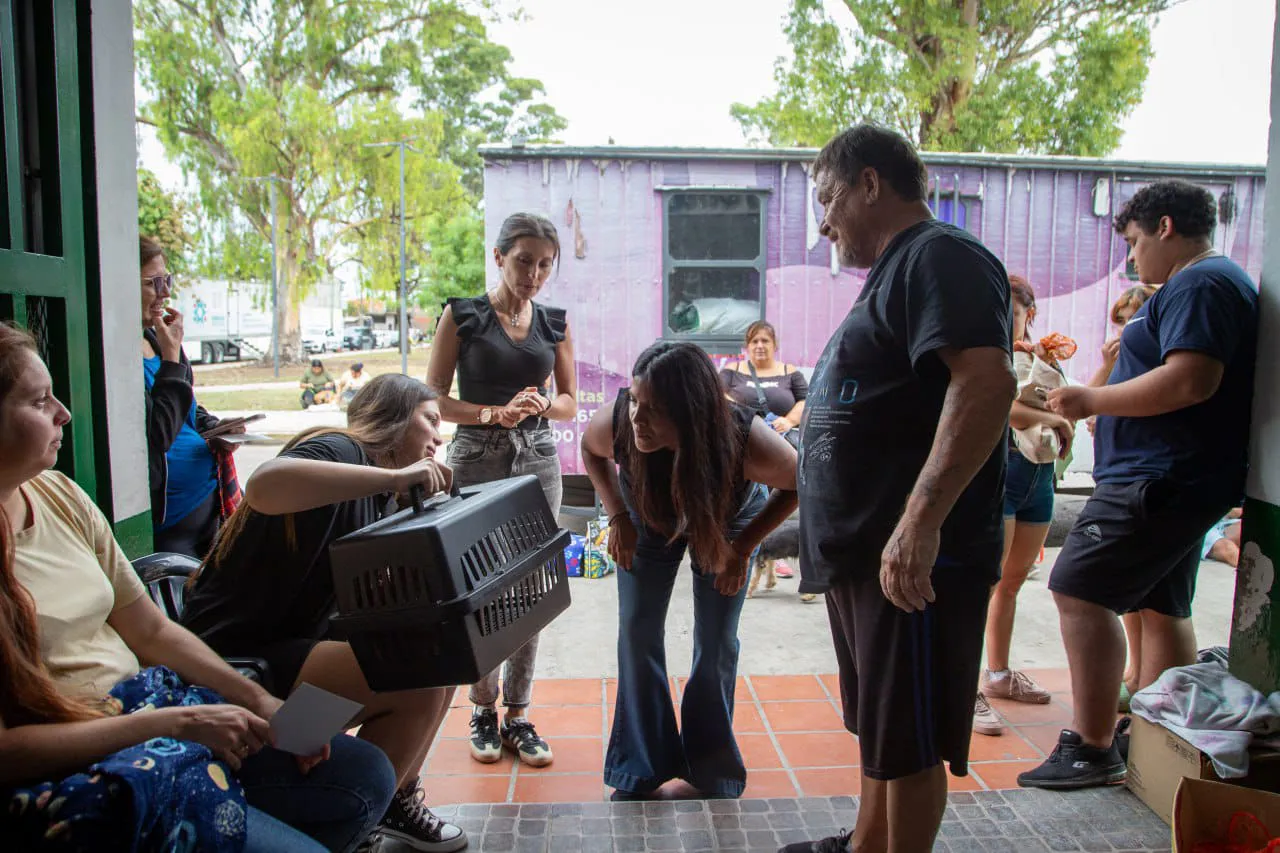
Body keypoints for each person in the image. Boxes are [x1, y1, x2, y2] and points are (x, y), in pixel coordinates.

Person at [0, 323, 395, 852]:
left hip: (149, 706)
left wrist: (260, 701)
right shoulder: (339, 459)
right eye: (38, 400)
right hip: (94, 764)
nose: (63, 413)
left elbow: (151, 629)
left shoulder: (57, 494)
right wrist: (181, 723)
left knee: (367, 772)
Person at [785, 124, 1015, 853]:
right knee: (885, 728)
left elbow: (986, 382)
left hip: (909, 557)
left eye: (827, 197)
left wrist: (920, 522)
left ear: (870, 184)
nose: (823, 220)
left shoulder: (939, 255)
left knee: (911, 741)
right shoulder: (897, 272)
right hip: (869, 552)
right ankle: (865, 843)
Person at [1020, 179, 1259, 790]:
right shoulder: (1205, 282)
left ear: (1165, 227)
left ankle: (1094, 745)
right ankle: (1161, 731)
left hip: (1160, 477)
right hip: (1177, 476)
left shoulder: (1201, 283)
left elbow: (1190, 381)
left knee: (1077, 588)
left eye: (1133, 241)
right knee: (1160, 603)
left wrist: (1090, 397)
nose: (1131, 258)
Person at [180, 375, 467, 851]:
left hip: (286, 657)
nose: (439, 437)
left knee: (448, 653)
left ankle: (388, 800)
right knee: (422, 671)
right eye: (431, 420)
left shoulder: (376, 497)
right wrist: (397, 478)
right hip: (231, 664)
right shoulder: (340, 449)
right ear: (393, 416)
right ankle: (357, 819)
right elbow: (265, 483)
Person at [580, 341, 798, 800]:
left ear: (689, 411)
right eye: (635, 400)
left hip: (725, 519)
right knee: (637, 632)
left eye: (653, 409)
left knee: (717, 639)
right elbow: (589, 448)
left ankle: (711, 766)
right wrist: (618, 515)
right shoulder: (624, 420)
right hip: (645, 511)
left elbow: (797, 481)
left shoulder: (742, 436)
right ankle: (641, 766)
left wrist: (742, 548)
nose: (636, 417)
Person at [426, 212, 576, 770]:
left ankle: (519, 713)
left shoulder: (554, 322)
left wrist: (540, 406)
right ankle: (482, 707)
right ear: (498, 257)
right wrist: (495, 412)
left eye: (544, 264)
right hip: (475, 459)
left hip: (538, 460)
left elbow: (568, 400)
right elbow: (433, 397)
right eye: (523, 261)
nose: (534, 274)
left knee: (532, 588)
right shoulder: (463, 315)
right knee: (482, 584)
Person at [972, 276, 1074, 737]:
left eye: (1012, 309)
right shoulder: (987, 353)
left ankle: (998, 673)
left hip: (1040, 477)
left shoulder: (1042, 356)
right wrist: (1051, 416)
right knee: (983, 583)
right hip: (1002, 473)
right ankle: (964, 690)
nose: (1004, 317)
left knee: (1011, 583)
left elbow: (1067, 408)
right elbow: (1002, 407)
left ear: (1029, 312)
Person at [141, 236, 243, 560]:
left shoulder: (157, 340)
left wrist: (215, 428)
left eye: (166, 280)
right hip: (168, 523)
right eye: (153, 283)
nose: (165, 292)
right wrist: (170, 361)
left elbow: (188, 410)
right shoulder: (116, 358)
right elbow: (159, 435)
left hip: (207, 501)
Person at [1087, 284, 1157, 711]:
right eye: (1123, 317)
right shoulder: (1120, 359)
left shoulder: (1155, 361)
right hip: (1112, 470)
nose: (1127, 325)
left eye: (1136, 316)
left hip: (1136, 480)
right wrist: (1107, 365)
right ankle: (1135, 674)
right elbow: (1092, 404)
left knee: (1138, 591)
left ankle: (1142, 676)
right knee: (1131, 592)